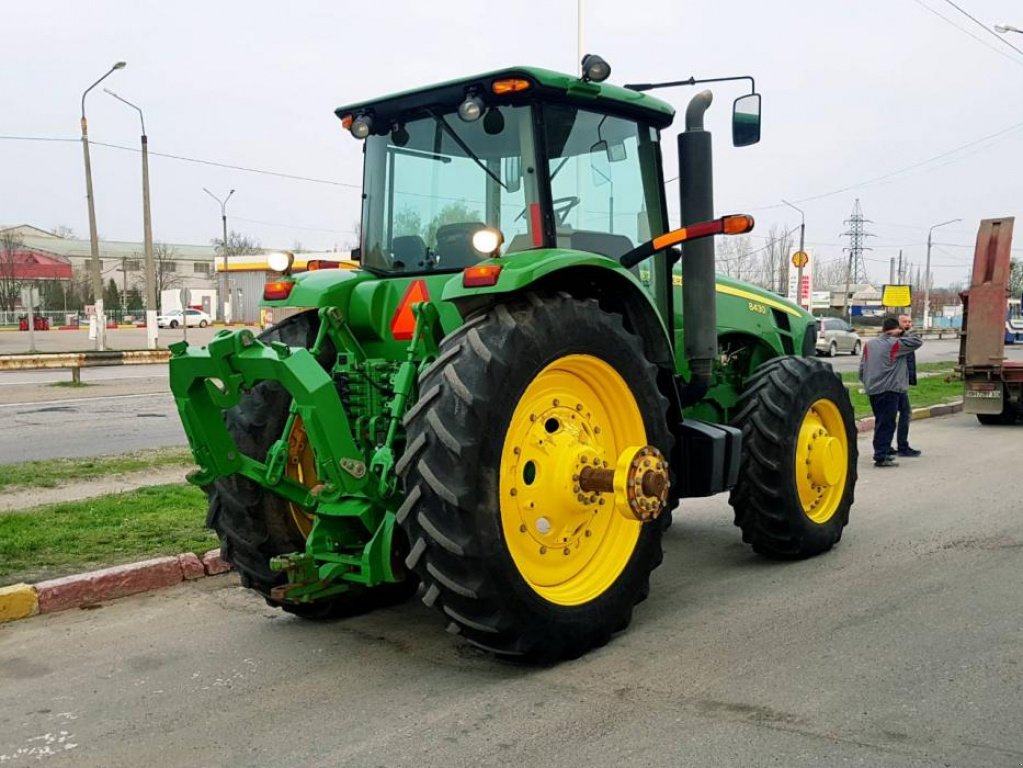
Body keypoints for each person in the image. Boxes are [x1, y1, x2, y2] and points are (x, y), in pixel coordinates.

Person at [858, 316, 924, 467]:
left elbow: (863, 366)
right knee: (886, 423)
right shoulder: (895, 344)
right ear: (896, 329)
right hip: (889, 389)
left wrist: (866, 382)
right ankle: (881, 456)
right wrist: (904, 332)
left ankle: (885, 450)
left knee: (881, 421)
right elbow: (917, 341)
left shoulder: (870, 344)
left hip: (873, 388)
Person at [891, 314, 921, 458]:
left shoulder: (905, 338)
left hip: (900, 381)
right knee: (904, 412)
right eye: (904, 322)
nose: (908, 324)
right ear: (897, 324)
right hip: (895, 383)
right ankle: (901, 446)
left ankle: (888, 446)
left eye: (909, 321)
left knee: (894, 413)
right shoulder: (897, 339)